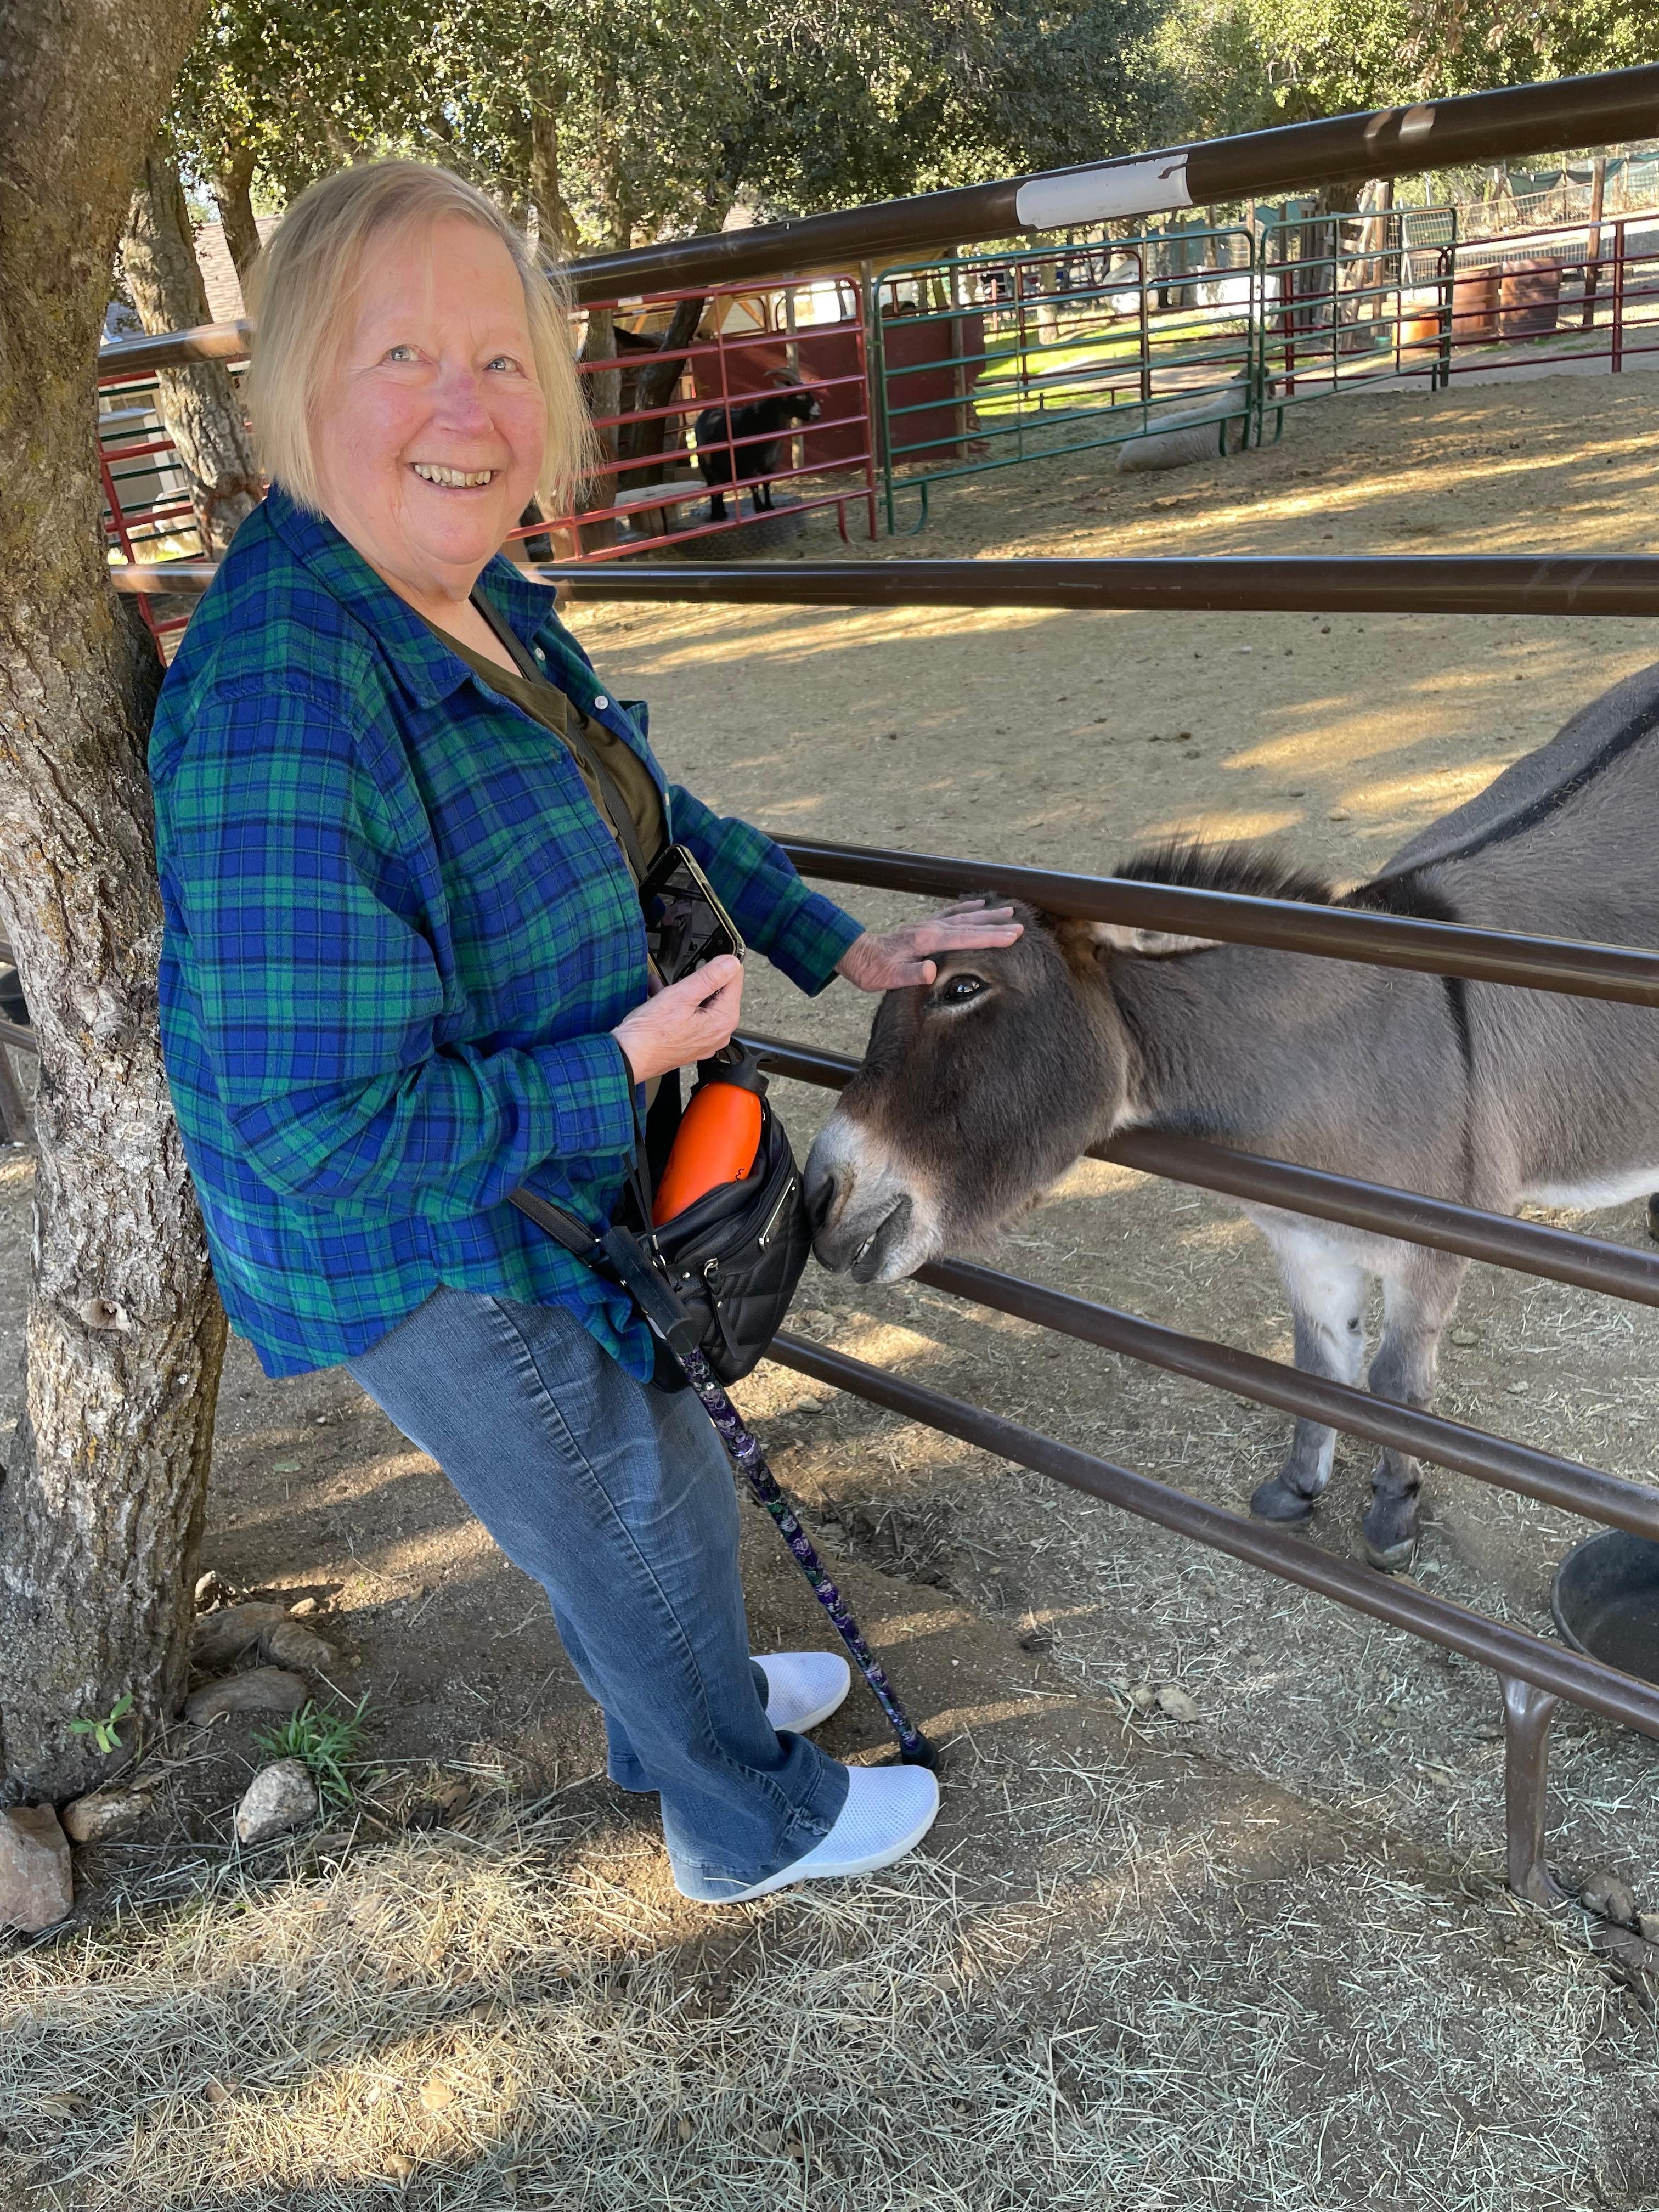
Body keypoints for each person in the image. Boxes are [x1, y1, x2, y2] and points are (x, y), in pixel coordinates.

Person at [148, 161, 1022, 1905]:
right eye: (404, 356)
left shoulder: (466, 592)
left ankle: (679, 1716)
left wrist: (838, 945)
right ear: (301, 384)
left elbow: (649, 808)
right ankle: (743, 1822)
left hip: (551, 1173)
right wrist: (615, 1069)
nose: (467, 409)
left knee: (655, 1471)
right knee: (620, 1497)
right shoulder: (281, 698)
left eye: (502, 360)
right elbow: (315, 1128)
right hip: (431, 1230)